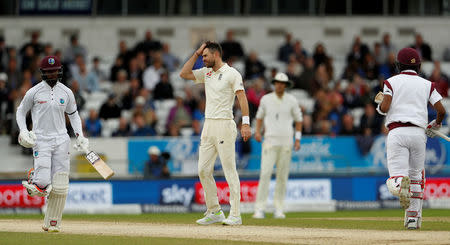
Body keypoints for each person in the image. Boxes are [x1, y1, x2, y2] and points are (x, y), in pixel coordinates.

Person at [179, 41, 251, 226]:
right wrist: (196, 53)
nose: (202, 60)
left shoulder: (232, 73)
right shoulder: (207, 72)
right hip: (208, 125)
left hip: (224, 125)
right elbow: (184, 73)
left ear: (216, 55)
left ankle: (235, 214)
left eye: (205, 56)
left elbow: (242, 97)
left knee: (229, 170)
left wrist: (245, 123)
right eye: (202, 57)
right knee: (203, 170)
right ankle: (215, 211)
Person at [16, 56, 89, 232]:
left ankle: (52, 223)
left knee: (61, 184)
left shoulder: (67, 92)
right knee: (41, 184)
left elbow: (74, 115)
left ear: (60, 71)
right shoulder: (34, 92)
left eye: (55, 70)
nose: (52, 73)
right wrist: (24, 131)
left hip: (61, 139)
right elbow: (20, 112)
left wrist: (80, 136)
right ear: (43, 72)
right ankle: (36, 177)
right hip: (41, 139)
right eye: (49, 71)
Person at [376, 48, 446, 230]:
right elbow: (442, 111)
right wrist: (436, 124)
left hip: (397, 132)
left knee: (396, 178)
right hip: (418, 134)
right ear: (419, 65)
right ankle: (412, 219)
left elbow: (385, 108)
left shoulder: (390, 82)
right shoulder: (427, 84)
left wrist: (380, 104)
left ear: (398, 65)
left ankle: (400, 186)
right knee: (416, 178)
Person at [252, 72, 302, 219]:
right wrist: (257, 132)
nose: (280, 85)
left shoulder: (292, 100)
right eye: (277, 83)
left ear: (286, 85)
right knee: (265, 174)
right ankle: (259, 209)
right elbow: (259, 117)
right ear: (274, 84)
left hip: (286, 143)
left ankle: (278, 208)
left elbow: (298, 120)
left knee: (282, 177)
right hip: (270, 142)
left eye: (282, 83)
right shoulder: (266, 99)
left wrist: (297, 139)